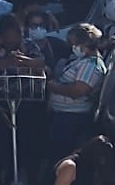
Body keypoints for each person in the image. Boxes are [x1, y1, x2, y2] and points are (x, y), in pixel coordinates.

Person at [44, 24, 105, 161]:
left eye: (74, 44)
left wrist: (53, 87)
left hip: (71, 119)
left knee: (62, 157)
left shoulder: (91, 65)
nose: (72, 47)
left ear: (84, 44)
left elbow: (78, 91)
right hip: (63, 115)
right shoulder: (81, 61)